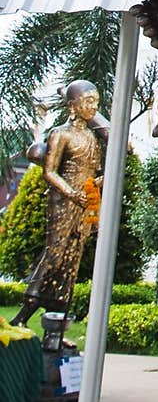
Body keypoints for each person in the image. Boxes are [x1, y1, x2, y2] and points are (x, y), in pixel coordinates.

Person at [10, 80, 104, 330]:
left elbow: (93, 173)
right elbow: (50, 172)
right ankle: (26, 309)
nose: (93, 107)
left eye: (96, 102)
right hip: (63, 201)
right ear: (73, 106)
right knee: (54, 252)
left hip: (85, 203)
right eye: (88, 101)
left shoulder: (92, 138)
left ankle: (58, 317)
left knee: (72, 259)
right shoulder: (61, 134)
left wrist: (100, 184)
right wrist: (72, 193)